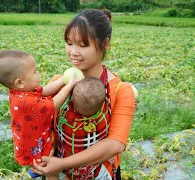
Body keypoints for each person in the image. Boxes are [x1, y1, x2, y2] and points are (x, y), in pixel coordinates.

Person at [31, 9, 136, 180]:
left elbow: (115, 144)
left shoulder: (120, 90)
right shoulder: (58, 83)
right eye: (69, 43)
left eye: (82, 45)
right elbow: (42, 123)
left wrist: (63, 164)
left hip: (99, 173)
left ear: (106, 44)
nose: (73, 52)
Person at [0, 50, 78, 180]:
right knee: (49, 169)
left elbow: (45, 91)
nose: (38, 73)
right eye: (34, 72)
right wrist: (70, 85)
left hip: (35, 137)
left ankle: (37, 171)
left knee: (46, 165)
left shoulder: (22, 91)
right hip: (36, 147)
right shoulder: (25, 102)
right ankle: (42, 172)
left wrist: (62, 81)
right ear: (19, 82)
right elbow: (54, 104)